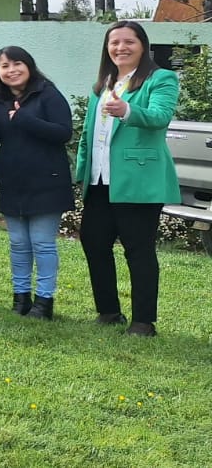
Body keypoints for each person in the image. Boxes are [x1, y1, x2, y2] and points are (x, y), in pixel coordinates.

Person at [74, 21, 180, 337]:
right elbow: (88, 134)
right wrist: (81, 173)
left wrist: (127, 110)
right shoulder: (102, 84)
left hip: (139, 180)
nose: (120, 47)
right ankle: (108, 312)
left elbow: (160, 116)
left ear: (143, 45)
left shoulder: (161, 79)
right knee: (93, 242)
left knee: (139, 249)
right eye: (114, 42)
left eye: (128, 41)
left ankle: (143, 322)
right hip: (99, 180)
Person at [0, 46, 72, 319]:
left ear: (29, 66)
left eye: (17, 64)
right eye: (4, 66)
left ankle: (44, 302)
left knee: (42, 243)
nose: (11, 70)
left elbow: (64, 133)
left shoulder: (47, 94)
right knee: (17, 243)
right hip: (13, 180)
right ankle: (20, 298)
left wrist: (26, 118)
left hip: (47, 180)